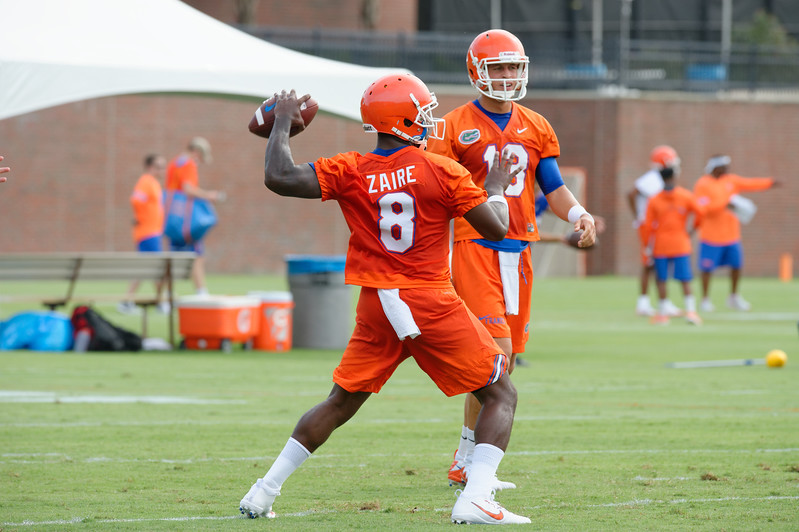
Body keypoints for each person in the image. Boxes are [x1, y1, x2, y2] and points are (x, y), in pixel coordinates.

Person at [239, 75, 532, 525]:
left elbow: (278, 176)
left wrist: (281, 124)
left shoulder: (350, 167)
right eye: (423, 111)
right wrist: (494, 187)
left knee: (339, 402)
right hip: (429, 299)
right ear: (405, 118)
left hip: (377, 303)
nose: (430, 119)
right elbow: (496, 229)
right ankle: (475, 497)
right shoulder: (442, 169)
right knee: (501, 394)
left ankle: (263, 491)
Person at [425, 29, 596, 489]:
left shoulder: (537, 124)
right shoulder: (449, 125)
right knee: (493, 358)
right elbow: (433, 190)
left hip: (519, 251)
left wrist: (579, 214)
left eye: (513, 67)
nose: (506, 75)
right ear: (477, 71)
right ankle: (474, 466)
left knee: (507, 361)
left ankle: (464, 457)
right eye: (498, 67)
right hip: (473, 247)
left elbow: (553, 188)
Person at [693, 155, 778, 312]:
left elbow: (751, 183)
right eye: (724, 166)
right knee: (707, 268)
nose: (727, 169)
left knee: (737, 265)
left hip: (731, 234)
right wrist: (725, 203)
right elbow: (703, 208)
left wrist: (770, 182)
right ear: (715, 168)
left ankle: (733, 297)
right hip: (710, 235)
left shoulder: (730, 180)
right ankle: (705, 299)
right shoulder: (703, 184)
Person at [640, 167, 703, 325]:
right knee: (684, 279)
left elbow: (648, 225)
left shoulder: (654, 199)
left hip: (662, 245)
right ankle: (690, 311)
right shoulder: (685, 195)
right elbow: (701, 213)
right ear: (674, 177)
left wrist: (647, 245)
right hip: (679, 244)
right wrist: (692, 230)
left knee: (662, 279)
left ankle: (663, 314)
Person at [626, 145, 684, 317]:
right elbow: (631, 193)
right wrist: (638, 216)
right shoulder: (653, 178)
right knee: (650, 263)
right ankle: (649, 303)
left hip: (655, 227)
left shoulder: (658, 178)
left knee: (653, 264)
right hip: (649, 227)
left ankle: (656, 302)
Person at [165, 136, 224, 295]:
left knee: (173, 257)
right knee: (197, 255)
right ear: (196, 152)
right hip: (187, 219)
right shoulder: (188, 163)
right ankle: (201, 291)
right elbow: (188, 188)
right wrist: (208, 195)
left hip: (173, 217)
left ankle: (167, 294)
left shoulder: (175, 162)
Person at [118, 154, 169, 315]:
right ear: (149, 167)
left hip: (152, 232)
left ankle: (128, 300)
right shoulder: (146, 181)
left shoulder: (153, 183)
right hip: (148, 233)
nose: (162, 170)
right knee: (157, 269)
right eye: (158, 166)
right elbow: (135, 200)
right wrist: (140, 218)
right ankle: (160, 302)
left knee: (146, 269)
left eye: (163, 166)